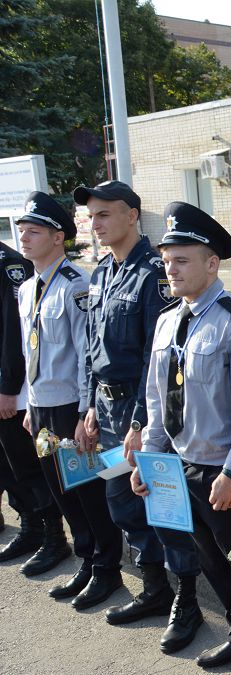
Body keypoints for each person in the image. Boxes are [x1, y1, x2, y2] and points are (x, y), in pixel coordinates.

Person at [132, 201, 231, 675]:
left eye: (182, 259)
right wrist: (149, 459)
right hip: (179, 466)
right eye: (166, 259)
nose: (171, 269)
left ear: (212, 263)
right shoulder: (167, 321)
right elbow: (158, 399)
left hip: (225, 471)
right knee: (212, 562)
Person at [72, 181, 203, 651]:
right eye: (91, 216)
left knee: (164, 509)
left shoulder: (152, 273)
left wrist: (139, 424)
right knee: (123, 504)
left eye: (105, 214)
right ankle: (154, 588)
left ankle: (187, 600)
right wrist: (90, 405)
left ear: (132, 215)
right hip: (106, 411)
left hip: (143, 413)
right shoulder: (103, 271)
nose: (96, 223)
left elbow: (158, 360)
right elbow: (93, 347)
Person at [15, 191, 125, 607]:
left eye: (34, 231)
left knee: (87, 492)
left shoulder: (76, 285)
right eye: (22, 231)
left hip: (68, 407)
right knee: (62, 492)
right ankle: (86, 559)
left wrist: (84, 411)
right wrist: (30, 404)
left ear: (58, 237)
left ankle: (106, 568)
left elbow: (86, 354)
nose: (24, 238)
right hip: (41, 405)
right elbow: (29, 350)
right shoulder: (27, 288)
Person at [0, 242, 59, 569]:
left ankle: (51, 536)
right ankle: (30, 526)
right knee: (8, 467)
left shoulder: (9, 264)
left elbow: (14, 333)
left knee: (27, 467)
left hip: (12, 390)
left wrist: (8, 387)